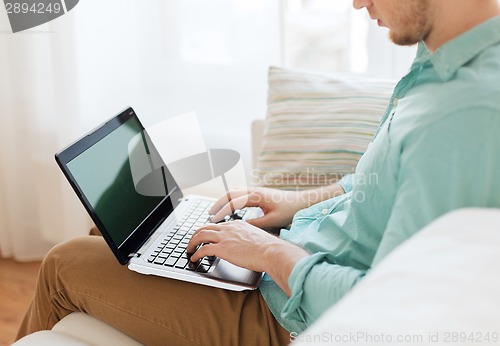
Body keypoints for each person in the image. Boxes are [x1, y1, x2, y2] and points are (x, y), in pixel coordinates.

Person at [17, 0, 500, 345]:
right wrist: (294, 204)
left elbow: (393, 310)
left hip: (286, 317)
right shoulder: (440, 63)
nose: (356, 4)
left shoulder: (464, 111)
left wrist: (272, 254)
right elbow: (375, 189)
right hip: (290, 262)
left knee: (63, 264)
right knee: (123, 238)